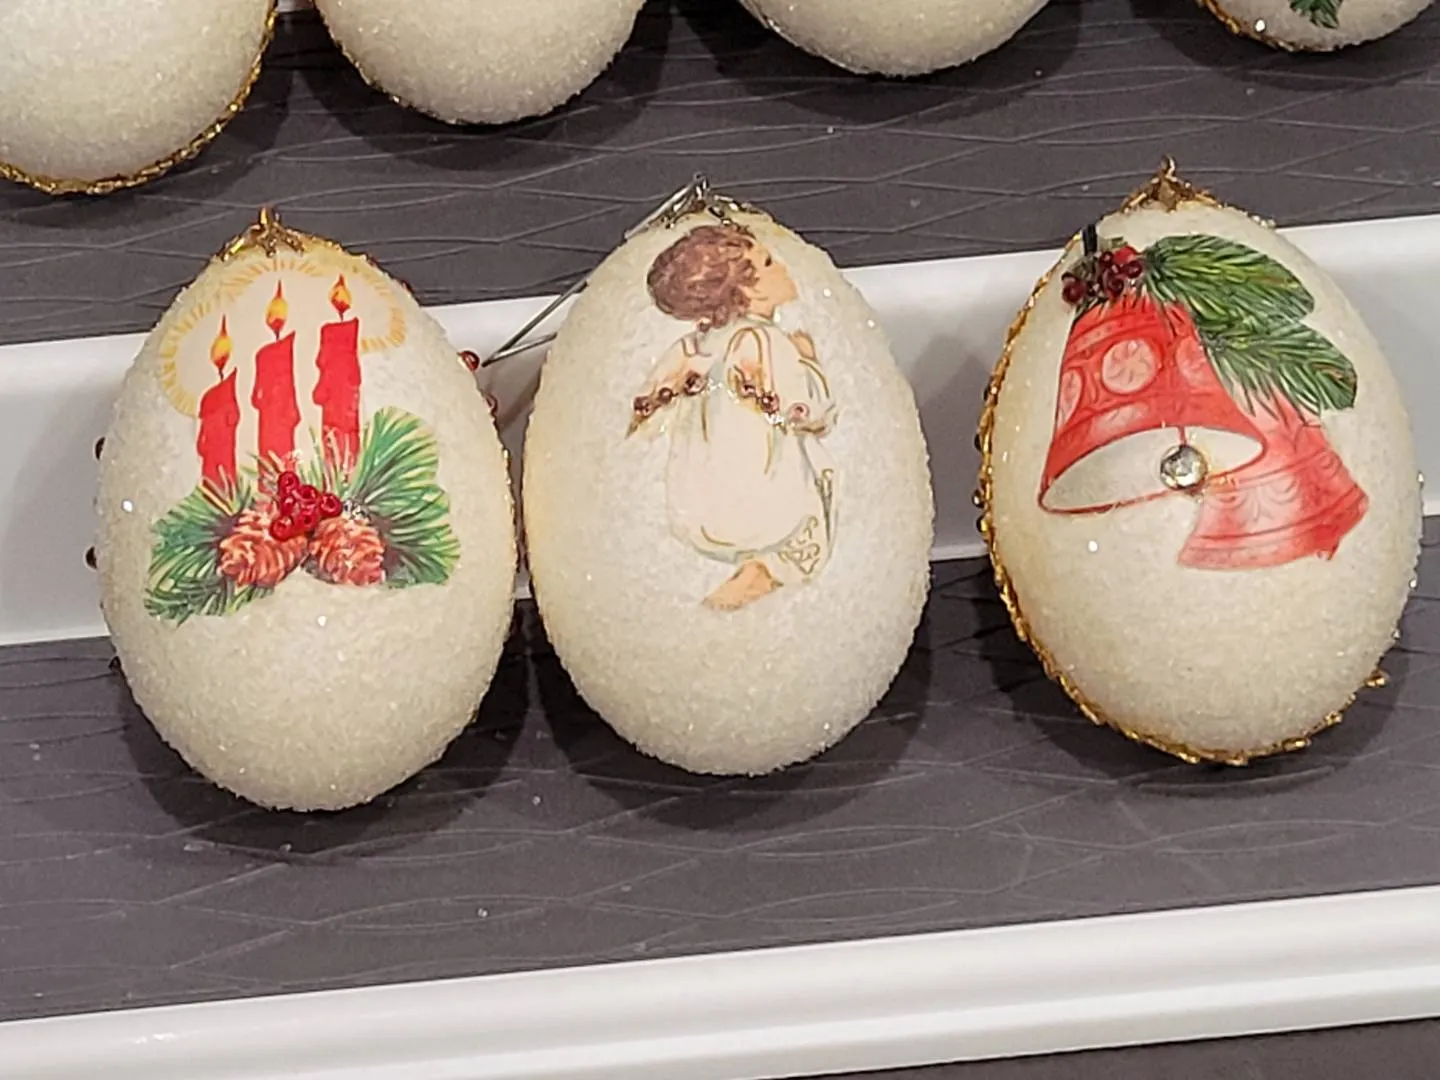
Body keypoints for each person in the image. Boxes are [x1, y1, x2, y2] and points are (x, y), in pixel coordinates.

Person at [631, 223, 838, 611]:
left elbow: (644, 420)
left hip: (695, 508)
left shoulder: (691, 346)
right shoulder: (763, 340)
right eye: (769, 262)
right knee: (818, 474)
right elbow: (812, 413)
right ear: (749, 290)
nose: (784, 267)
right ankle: (762, 573)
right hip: (763, 505)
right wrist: (809, 359)